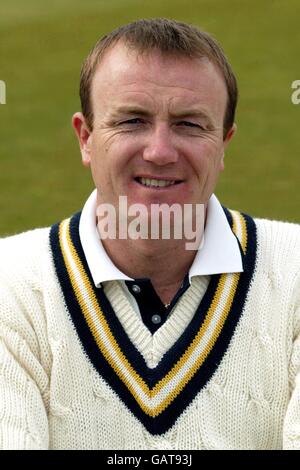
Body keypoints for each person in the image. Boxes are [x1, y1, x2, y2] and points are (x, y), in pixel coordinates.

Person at [0, 18, 299, 451]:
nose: (159, 151)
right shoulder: (9, 283)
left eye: (190, 125)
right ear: (85, 138)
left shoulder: (292, 274)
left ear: (224, 144)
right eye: (132, 121)